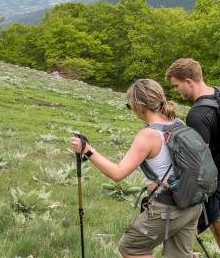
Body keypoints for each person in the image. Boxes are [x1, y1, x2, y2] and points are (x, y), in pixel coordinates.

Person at [68, 79, 202, 258]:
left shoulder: (148, 135)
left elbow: (118, 173)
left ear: (139, 105)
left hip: (168, 207)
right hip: (193, 202)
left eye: (129, 106)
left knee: (130, 247)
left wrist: (87, 150)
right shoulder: (178, 124)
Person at [166, 58, 220, 258]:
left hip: (216, 184)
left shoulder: (197, 114)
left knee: (216, 233)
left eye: (177, 86)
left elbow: (196, 160)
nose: (177, 91)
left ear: (189, 81)